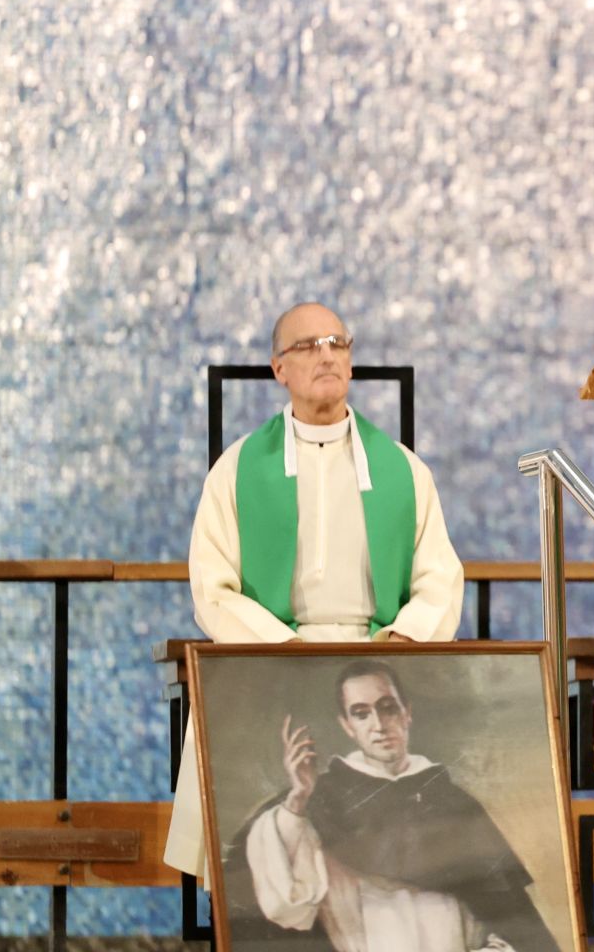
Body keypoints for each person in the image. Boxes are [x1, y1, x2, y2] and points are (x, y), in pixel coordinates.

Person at [165, 302, 465, 878]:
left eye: (337, 342)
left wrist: (406, 635)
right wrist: (282, 649)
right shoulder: (237, 470)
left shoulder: (404, 471)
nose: (326, 354)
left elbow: (440, 577)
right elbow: (213, 586)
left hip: (377, 661)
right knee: (260, 865)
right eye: (307, 346)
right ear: (279, 368)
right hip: (270, 663)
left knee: (384, 873)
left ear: (350, 359)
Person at [227, 661, 556, 952]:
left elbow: (507, 917)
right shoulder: (319, 799)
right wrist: (298, 799)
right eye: (361, 713)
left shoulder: (451, 800)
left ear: (407, 712)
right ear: (347, 725)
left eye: (388, 708)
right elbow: (286, 902)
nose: (379, 724)